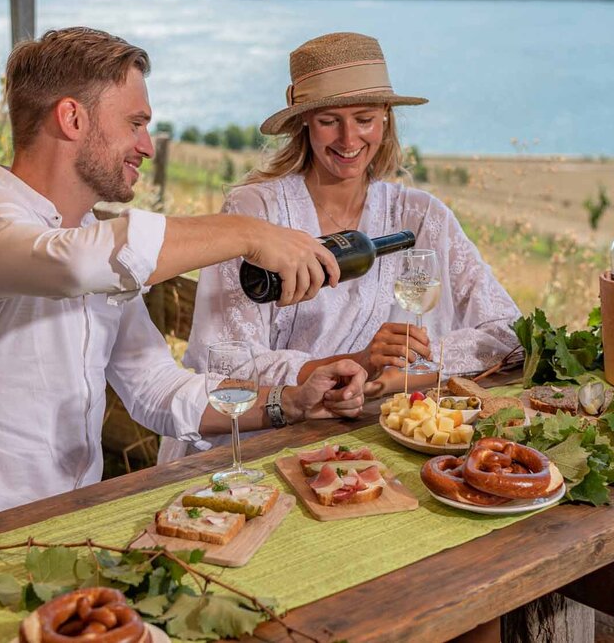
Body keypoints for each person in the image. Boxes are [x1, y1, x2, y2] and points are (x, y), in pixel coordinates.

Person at [0, 27, 367, 541]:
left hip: (66, 532)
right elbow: (72, 266)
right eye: (135, 123)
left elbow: (157, 389)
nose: (146, 146)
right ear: (72, 117)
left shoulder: (97, 243)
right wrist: (248, 232)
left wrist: (288, 402)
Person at [159, 31, 520, 462]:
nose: (349, 141)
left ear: (386, 118)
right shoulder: (253, 211)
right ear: (304, 123)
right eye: (330, 120)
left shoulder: (423, 217)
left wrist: (401, 368)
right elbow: (228, 363)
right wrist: (358, 362)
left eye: (364, 118)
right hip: (264, 441)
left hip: (377, 439)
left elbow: (508, 333)